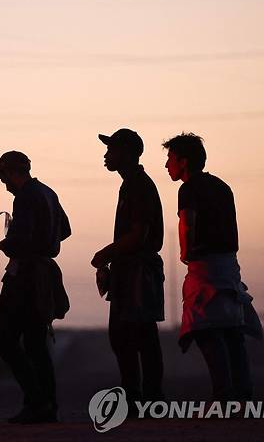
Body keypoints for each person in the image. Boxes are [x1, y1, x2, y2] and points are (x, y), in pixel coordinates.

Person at [163, 132, 262, 401]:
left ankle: (224, 393)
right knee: (230, 329)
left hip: (205, 267)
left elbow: (188, 222)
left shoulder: (189, 189)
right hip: (229, 265)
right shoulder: (221, 186)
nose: (167, 165)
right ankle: (242, 391)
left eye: (170, 158)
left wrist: (186, 252)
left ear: (183, 162)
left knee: (204, 327)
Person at [0, 151, 71, 424]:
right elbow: (66, 230)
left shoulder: (24, 197)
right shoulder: (48, 193)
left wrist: (6, 243)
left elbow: (20, 240)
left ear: (13, 173)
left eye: (4, 178)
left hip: (25, 276)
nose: (5, 184)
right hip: (44, 276)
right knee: (36, 344)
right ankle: (48, 405)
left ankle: (36, 401)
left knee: (6, 341)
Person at [91, 128, 166, 410]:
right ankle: (144, 398)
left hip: (137, 271)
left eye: (112, 150)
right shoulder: (133, 184)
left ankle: (143, 400)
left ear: (127, 153)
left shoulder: (137, 185)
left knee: (133, 336)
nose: (106, 155)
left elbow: (139, 235)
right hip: (130, 269)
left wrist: (104, 254)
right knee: (135, 336)